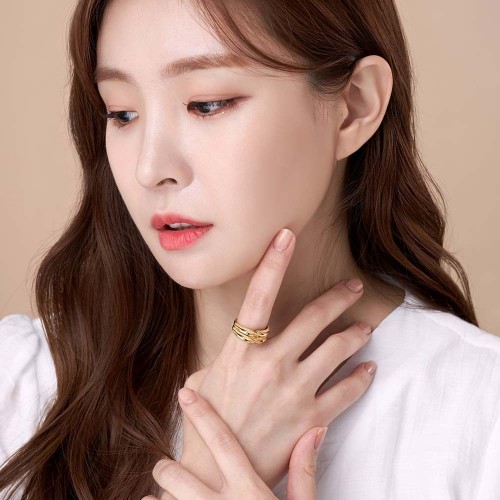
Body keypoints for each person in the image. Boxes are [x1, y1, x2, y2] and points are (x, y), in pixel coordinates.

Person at [1, 0, 499, 498]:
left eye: (207, 104)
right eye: (122, 113)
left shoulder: (478, 414)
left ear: (354, 106)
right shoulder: (20, 384)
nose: (150, 169)